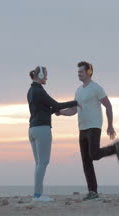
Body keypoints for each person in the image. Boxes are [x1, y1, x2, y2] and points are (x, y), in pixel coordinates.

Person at [56, 61, 119, 201]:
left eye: (81, 71)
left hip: (94, 126)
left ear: (88, 72)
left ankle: (114, 148)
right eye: (78, 72)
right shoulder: (78, 90)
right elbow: (74, 110)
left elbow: (108, 106)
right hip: (82, 128)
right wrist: (61, 112)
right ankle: (92, 192)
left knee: (93, 154)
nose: (78, 74)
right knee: (86, 161)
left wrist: (110, 125)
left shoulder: (96, 88)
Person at [27, 66, 78, 202]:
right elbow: (56, 105)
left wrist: (53, 111)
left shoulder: (31, 90)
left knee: (39, 163)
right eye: (46, 75)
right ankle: (37, 195)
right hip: (42, 129)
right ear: (41, 74)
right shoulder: (39, 90)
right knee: (43, 162)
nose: (47, 78)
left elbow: (43, 110)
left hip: (32, 129)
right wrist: (76, 102)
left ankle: (38, 194)